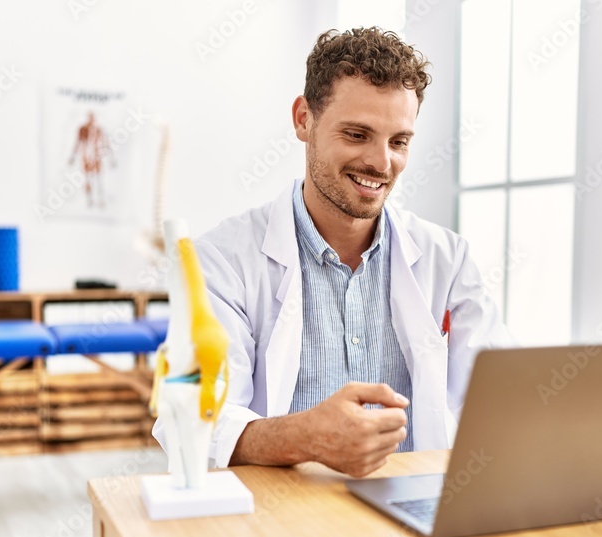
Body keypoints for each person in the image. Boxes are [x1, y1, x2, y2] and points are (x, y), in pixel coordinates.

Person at [152, 27, 513, 478]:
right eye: (358, 134)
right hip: (283, 517)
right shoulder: (223, 261)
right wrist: (307, 436)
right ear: (304, 119)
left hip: (413, 517)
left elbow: (502, 405)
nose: (381, 164)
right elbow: (193, 422)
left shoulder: (448, 260)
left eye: (399, 141)